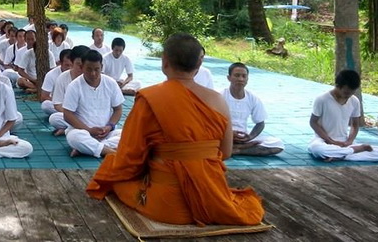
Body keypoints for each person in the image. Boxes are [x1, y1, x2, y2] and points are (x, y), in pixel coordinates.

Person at [86, 33, 264, 226]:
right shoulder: (218, 100)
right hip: (212, 197)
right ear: (198, 65)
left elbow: (130, 157)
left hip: (168, 207)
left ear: (164, 62)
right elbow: (226, 152)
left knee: (112, 167)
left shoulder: (151, 98)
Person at [308, 70, 378, 161]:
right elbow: (313, 122)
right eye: (346, 93)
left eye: (351, 93)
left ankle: (338, 154)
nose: (348, 96)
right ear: (337, 86)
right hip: (323, 140)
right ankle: (350, 152)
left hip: (344, 143)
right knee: (317, 149)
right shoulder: (322, 99)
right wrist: (330, 141)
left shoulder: (354, 101)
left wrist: (349, 141)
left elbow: (355, 125)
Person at [63, 50, 124, 157]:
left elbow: (118, 110)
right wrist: (89, 130)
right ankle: (112, 152)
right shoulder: (74, 86)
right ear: (82, 67)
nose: (93, 73)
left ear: (102, 67)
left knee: (130, 135)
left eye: (97, 69)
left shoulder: (111, 83)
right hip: (83, 131)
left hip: (107, 133)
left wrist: (109, 127)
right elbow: (67, 115)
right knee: (75, 137)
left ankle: (89, 149)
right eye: (89, 69)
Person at [221, 63, 284, 156]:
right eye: (237, 75)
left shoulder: (252, 98)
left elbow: (260, 123)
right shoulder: (219, 96)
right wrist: (229, 134)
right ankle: (235, 147)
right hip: (223, 136)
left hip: (243, 138)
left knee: (277, 143)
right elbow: (211, 122)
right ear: (229, 78)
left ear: (247, 79)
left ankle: (238, 150)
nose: (240, 79)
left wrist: (250, 137)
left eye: (244, 76)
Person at [48, 45, 89, 135]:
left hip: (91, 116)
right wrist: (72, 116)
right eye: (79, 64)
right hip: (71, 115)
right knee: (54, 118)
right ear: (72, 62)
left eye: (84, 65)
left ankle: (71, 130)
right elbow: (57, 104)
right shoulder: (62, 78)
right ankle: (79, 129)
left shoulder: (93, 78)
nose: (81, 68)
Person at [40, 49, 72, 115]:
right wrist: (59, 102)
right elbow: (44, 96)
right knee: (46, 105)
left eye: (71, 65)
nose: (69, 68)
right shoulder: (51, 75)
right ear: (60, 63)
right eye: (67, 65)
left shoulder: (77, 72)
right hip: (59, 104)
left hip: (74, 104)